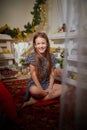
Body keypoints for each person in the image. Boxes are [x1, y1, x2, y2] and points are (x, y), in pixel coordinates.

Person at [22, 32, 62, 108]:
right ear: (35, 45)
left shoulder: (51, 56)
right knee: (34, 91)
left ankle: (35, 101)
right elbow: (33, 74)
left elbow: (52, 73)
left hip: (47, 82)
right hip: (35, 84)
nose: (41, 46)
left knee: (66, 88)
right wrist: (40, 89)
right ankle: (45, 95)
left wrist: (50, 87)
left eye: (43, 43)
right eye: (38, 43)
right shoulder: (32, 56)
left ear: (47, 43)